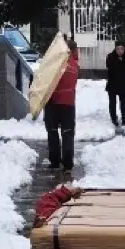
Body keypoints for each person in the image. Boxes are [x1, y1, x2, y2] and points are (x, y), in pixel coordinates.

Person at [44, 37, 79, 176]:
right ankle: (68, 164)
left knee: (52, 132)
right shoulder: (75, 65)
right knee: (68, 133)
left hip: (53, 103)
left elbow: (45, 81)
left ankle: (55, 162)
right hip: (69, 104)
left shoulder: (56, 64)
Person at [106, 42, 125, 128]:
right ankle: (114, 119)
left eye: (122, 48)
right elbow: (110, 68)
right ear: (115, 49)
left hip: (122, 84)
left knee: (123, 103)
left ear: (124, 49)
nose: (120, 51)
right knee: (112, 103)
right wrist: (119, 63)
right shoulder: (110, 57)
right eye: (118, 48)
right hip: (112, 84)